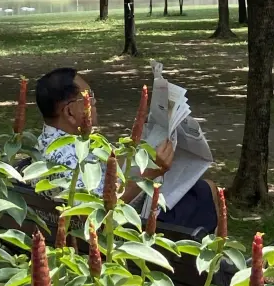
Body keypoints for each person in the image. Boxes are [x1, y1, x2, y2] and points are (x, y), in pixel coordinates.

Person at [34, 68, 218, 232]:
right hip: (118, 235)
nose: (96, 102)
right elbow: (100, 215)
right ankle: (216, 267)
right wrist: (152, 172)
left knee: (203, 189)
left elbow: (111, 166)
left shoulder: (52, 141)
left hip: (86, 229)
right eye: (89, 98)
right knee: (204, 192)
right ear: (70, 112)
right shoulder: (65, 158)